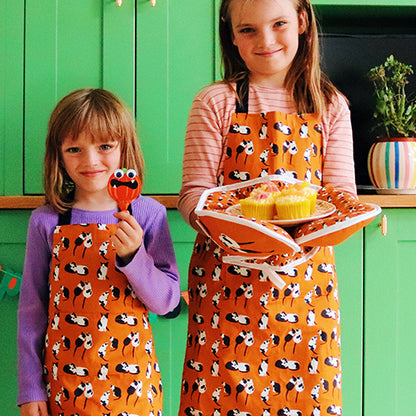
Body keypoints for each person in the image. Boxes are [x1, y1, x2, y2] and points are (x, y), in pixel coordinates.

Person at [177, 0, 356, 414]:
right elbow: (193, 196)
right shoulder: (215, 102)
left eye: (278, 24)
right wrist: (237, 231)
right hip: (226, 287)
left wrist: (311, 231)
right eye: (248, 30)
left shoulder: (330, 105)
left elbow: (341, 197)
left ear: (303, 22)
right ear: (231, 33)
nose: (266, 40)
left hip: (305, 288)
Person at [17, 88, 180, 416]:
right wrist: (30, 388)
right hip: (65, 384)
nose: (90, 161)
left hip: (133, 386)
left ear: (125, 148)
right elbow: (32, 312)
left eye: (105, 146)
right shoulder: (46, 221)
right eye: (74, 149)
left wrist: (135, 257)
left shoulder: (148, 214)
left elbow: (167, 302)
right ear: (59, 155)